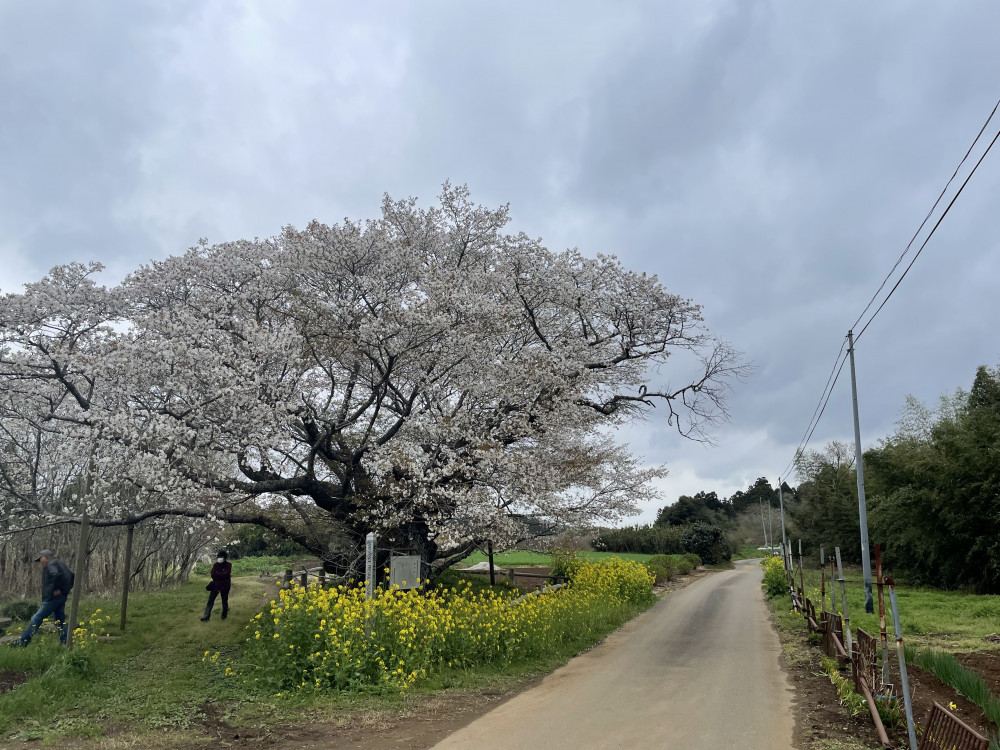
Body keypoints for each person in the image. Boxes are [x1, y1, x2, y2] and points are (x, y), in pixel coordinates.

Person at [17, 549, 74, 647]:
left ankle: (23, 642)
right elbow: (72, 576)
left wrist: (54, 589)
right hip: (61, 597)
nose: (41, 562)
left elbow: (55, 574)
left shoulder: (50, 564)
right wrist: (64, 591)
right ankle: (65, 642)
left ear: (47, 558)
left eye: (41, 559)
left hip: (52, 599)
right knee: (60, 621)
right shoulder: (61, 565)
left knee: (37, 618)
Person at [201, 550, 232, 621]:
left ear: (224, 558)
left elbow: (226, 574)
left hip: (225, 586)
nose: (219, 558)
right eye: (218, 557)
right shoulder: (216, 565)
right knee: (210, 601)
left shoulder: (228, 565)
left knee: (224, 601)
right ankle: (206, 616)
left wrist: (218, 574)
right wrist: (221, 574)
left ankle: (224, 616)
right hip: (215, 585)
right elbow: (213, 574)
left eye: (221, 557)